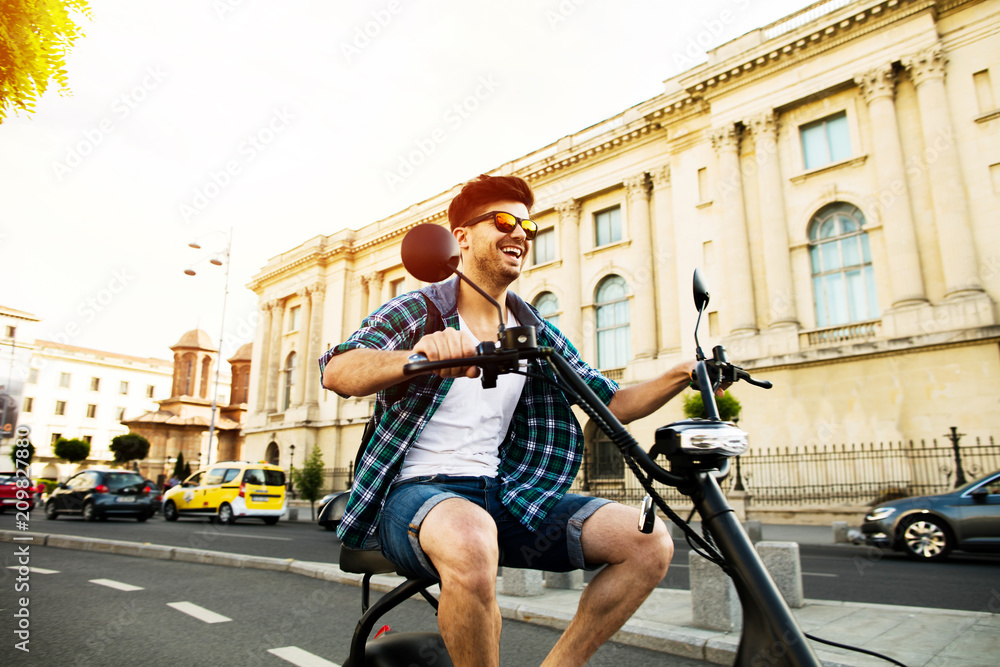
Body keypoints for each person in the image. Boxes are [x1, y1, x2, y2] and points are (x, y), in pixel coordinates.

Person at [320, 174, 705, 667]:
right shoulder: (422, 309)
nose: (521, 232)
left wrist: (682, 374)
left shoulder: (533, 330)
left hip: (503, 492)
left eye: (528, 224)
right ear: (461, 237)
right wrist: (417, 354)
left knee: (648, 542)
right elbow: (340, 369)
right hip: (414, 494)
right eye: (504, 220)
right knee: (471, 536)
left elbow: (610, 401)